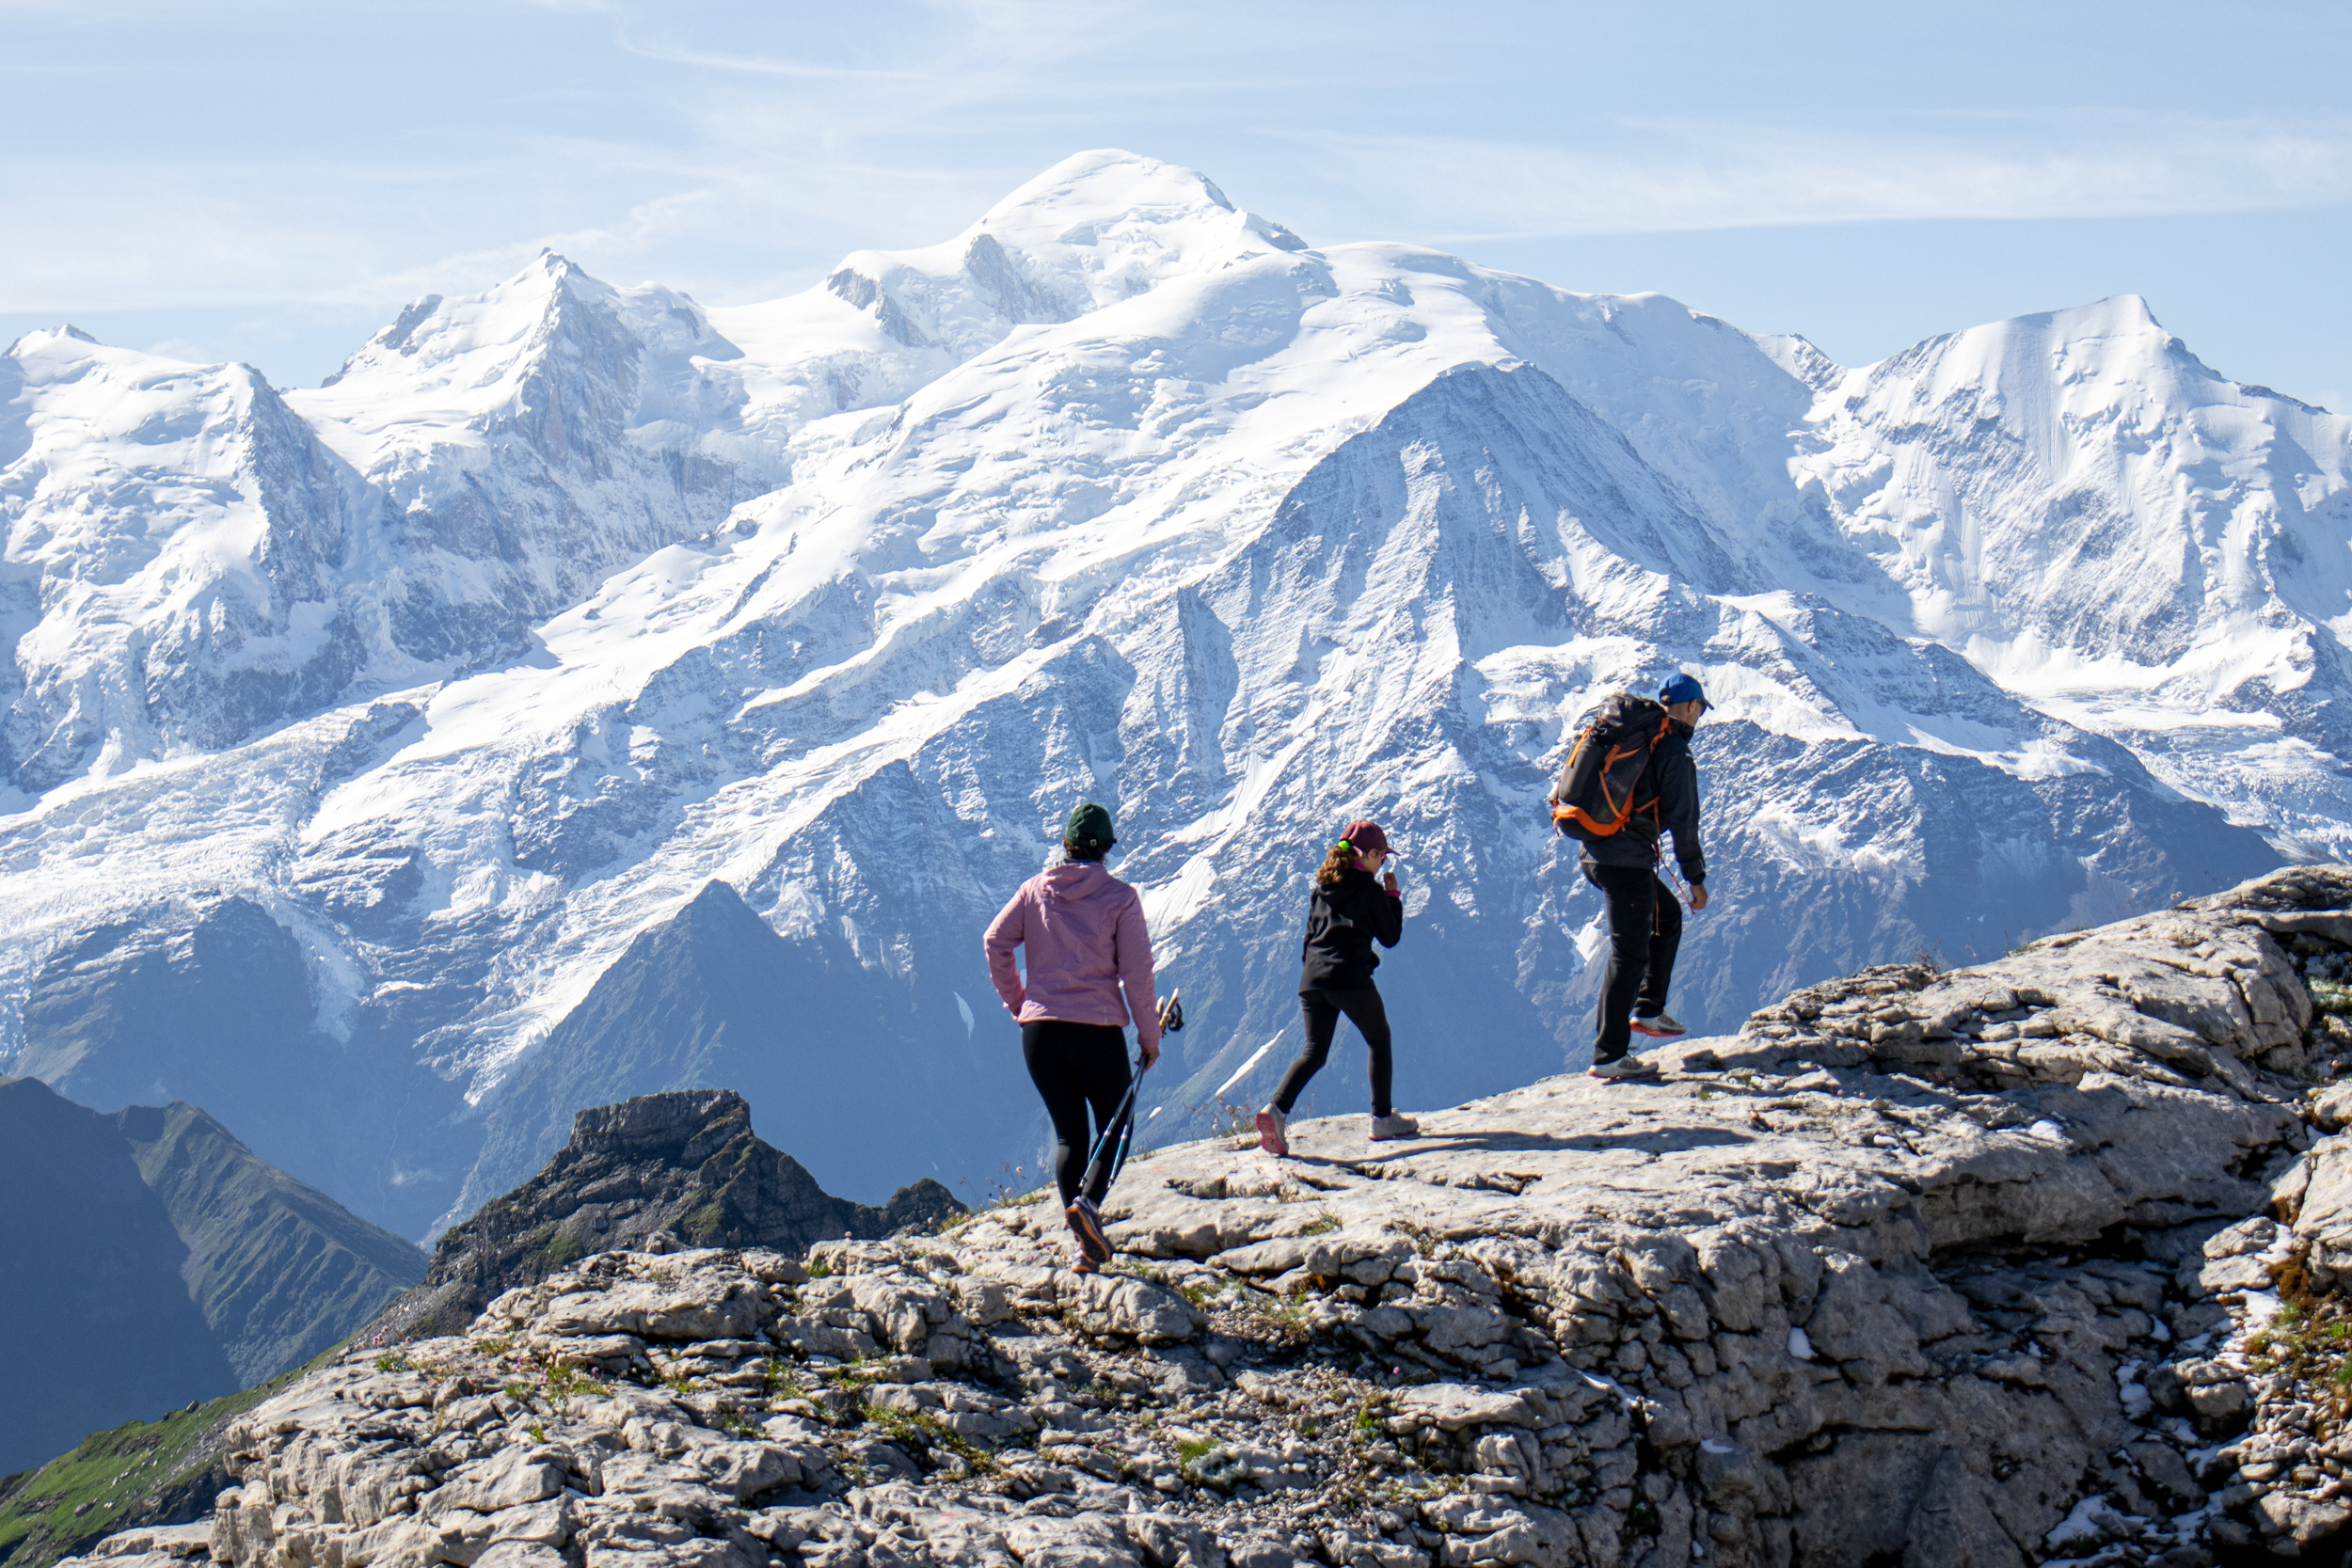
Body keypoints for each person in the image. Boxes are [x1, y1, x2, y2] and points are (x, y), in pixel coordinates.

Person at [983, 801, 1162, 1273]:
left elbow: (995, 942)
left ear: (1065, 844)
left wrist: (1019, 1003)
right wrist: (1150, 1035)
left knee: (1069, 1136)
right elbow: (1137, 974)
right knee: (1115, 1127)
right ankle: (1089, 1208)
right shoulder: (1120, 898)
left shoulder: (1033, 890)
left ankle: (1085, 1246)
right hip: (1097, 1031)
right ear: (1106, 850)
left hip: (1040, 1034)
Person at [1254, 818, 1419, 1154]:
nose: (1383, 863)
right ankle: (1382, 1119)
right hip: (1351, 977)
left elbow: (1308, 937)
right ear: (1369, 854)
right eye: (1382, 857)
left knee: (1314, 1052)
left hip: (1313, 979)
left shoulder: (1321, 888)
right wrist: (1393, 897)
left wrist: (1315, 973)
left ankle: (1275, 1111)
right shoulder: (1371, 889)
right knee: (1379, 1041)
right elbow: (1390, 937)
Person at [1576, 673, 1711, 1081]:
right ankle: (1609, 1056)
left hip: (1598, 853)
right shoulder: (1673, 751)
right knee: (1629, 952)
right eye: (1701, 708)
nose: (1700, 716)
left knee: (1665, 916)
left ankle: (1648, 1010)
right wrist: (1696, 878)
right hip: (1625, 860)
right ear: (1690, 706)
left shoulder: (1638, 738)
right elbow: (1685, 822)